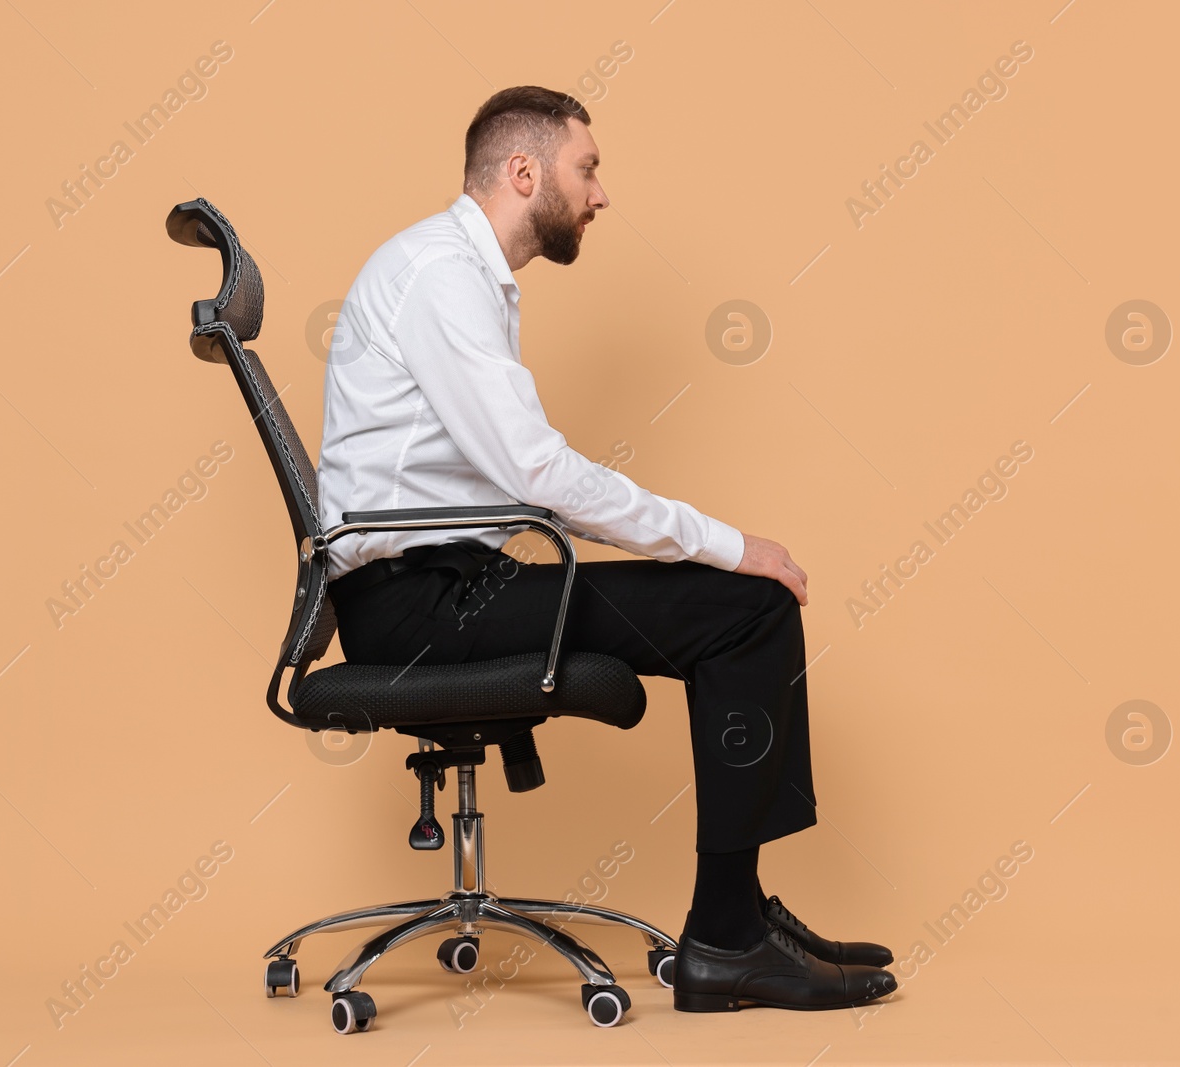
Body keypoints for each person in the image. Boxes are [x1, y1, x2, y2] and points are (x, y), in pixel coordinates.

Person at [318, 85, 897, 1013]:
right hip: (418, 606)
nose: (601, 193)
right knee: (748, 606)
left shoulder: (461, 278)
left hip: (451, 586)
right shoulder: (440, 276)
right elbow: (541, 474)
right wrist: (724, 543)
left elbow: (521, 481)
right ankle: (725, 941)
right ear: (523, 172)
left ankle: (740, 912)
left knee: (742, 598)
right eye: (587, 168)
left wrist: (700, 548)